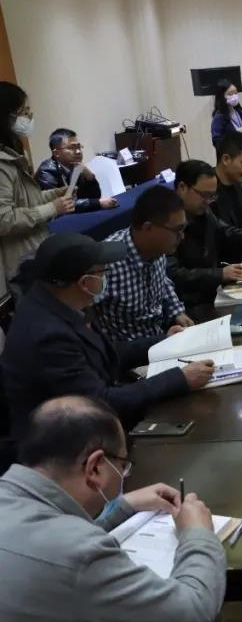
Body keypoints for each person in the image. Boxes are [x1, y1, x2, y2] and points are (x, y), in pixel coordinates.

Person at [0, 396, 226, 622]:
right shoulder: (78, 553)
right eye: (122, 465)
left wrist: (122, 506)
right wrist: (198, 532)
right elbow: (194, 611)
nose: (123, 475)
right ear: (95, 467)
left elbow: (43, 544)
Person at [1, 232, 212, 437]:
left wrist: (165, 342)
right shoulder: (48, 336)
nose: (106, 278)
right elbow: (99, 402)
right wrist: (179, 378)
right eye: (103, 272)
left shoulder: (62, 303)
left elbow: (107, 352)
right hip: (61, 441)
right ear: (84, 283)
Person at [168, 159, 242, 312]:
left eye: (212, 196)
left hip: (211, 295)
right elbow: (172, 274)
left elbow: (225, 232)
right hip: (187, 306)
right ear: (182, 187)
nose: (208, 202)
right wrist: (219, 274)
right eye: (204, 195)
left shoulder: (203, 211)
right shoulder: (166, 221)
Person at [0, 81, 74, 297]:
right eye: (23, 112)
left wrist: (53, 195)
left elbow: (24, 202)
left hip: (36, 251)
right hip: (21, 263)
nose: (30, 117)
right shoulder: (2, 164)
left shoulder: (13, 153)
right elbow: (4, 219)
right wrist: (52, 208)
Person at [96, 186, 195, 341]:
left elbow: (163, 282)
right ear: (148, 228)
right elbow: (86, 318)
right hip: (127, 350)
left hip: (159, 339)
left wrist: (177, 312)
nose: (182, 237)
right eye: (178, 230)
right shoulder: (106, 263)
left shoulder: (158, 247)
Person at [34, 128, 118, 212]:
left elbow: (94, 197)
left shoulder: (77, 167)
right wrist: (98, 203)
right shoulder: (46, 172)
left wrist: (90, 177)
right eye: (72, 148)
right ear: (57, 153)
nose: (78, 151)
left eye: (79, 147)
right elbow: (60, 206)